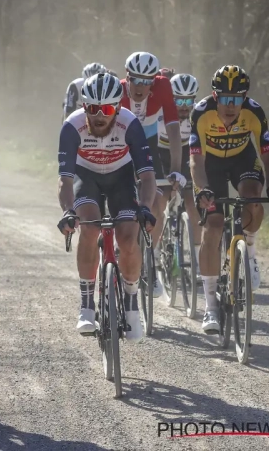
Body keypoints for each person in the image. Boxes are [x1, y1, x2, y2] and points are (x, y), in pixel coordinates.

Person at [57, 73, 157, 343]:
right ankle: (87, 304)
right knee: (88, 227)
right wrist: (68, 211)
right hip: (85, 177)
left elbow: (147, 176)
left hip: (120, 179)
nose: (100, 116)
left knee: (127, 236)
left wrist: (146, 207)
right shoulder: (71, 127)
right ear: (84, 106)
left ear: (119, 107)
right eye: (93, 109)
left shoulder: (130, 124)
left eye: (108, 109)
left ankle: (132, 303)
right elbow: (65, 181)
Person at [189, 65, 269, 334]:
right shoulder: (200, 112)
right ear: (215, 96)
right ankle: (210, 306)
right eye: (225, 98)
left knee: (252, 196)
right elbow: (196, 160)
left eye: (237, 98)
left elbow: (268, 156)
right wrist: (204, 189)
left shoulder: (254, 112)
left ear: (244, 98)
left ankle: (250, 253)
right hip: (210, 167)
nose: (231, 105)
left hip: (242, 159)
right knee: (213, 226)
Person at [120, 51, 185, 298]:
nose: (141, 86)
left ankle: (151, 260)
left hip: (147, 141)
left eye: (147, 81)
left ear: (155, 80)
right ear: (127, 77)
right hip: (123, 141)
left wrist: (176, 170)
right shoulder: (119, 90)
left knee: (157, 204)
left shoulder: (163, 87)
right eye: (136, 80)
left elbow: (173, 129)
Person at [158, 73, 202, 268]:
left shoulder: (197, 114)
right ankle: (155, 246)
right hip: (160, 153)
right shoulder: (160, 111)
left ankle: (199, 258)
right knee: (161, 197)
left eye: (188, 100)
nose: (184, 105)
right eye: (179, 100)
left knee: (193, 202)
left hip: (184, 153)